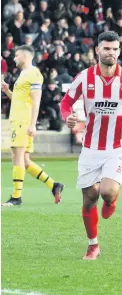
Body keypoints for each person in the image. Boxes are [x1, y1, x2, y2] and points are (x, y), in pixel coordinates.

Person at [60, 31, 122, 260]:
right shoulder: (84, 77)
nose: (111, 52)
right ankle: (93, 245)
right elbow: (66, 102)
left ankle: (112, 200)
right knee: (89, 198)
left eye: (115, 49)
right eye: (106, 48)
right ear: (97, 50)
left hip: (117, 145)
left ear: (119, 50)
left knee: (106, 192)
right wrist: (68, 116)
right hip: (90, 147)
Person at [1, 45, 64, 207]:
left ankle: (16, 197)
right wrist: (7, 91)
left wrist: (32, 124)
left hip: (23, 121)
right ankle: (54, 185)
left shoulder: (34, 74)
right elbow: (20, 99)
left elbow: (36, 100)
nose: (14, 58)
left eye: (16, 56)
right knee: (25, 160)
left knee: (17, 157)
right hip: (19, 120)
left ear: (25, 56)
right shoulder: (23, 75)